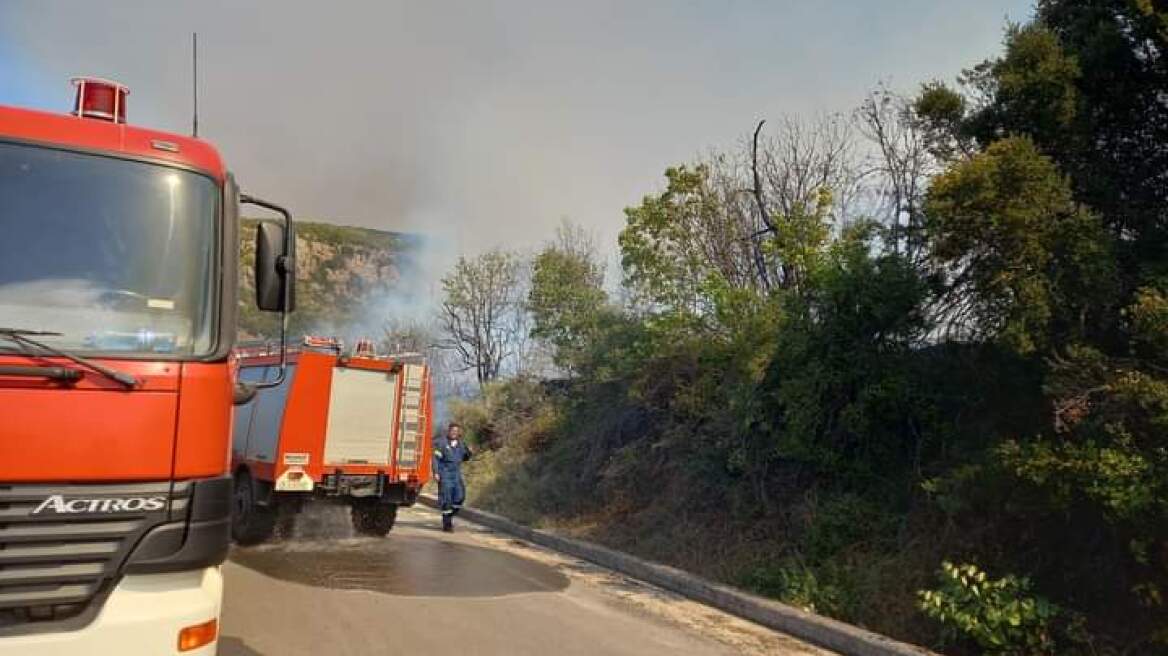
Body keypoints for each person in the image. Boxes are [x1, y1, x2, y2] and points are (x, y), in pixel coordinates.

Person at [432, 422, 472, 532]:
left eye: (456, 431)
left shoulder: (461, 444)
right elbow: (435, 459)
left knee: (460, 497)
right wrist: (436, 472)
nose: (454, 433)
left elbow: (465, 457)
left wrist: (469, 452)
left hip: (456, 474)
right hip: (445, 473)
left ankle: (449, 516)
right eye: (452, 431)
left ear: (458, 433)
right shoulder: (442, 443)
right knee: (447, 499)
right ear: (448, 431)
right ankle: (447, 524)